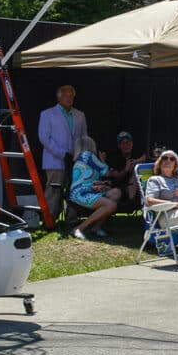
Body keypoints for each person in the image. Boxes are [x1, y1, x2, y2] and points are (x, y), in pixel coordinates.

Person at [38, 85, 87, 220]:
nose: (69, 98)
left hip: (75, 160)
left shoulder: (80, 115)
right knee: (54, 191)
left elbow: (84, 137)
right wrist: (63, 153)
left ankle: (71, 219)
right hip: (55, 160)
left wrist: (79, 154)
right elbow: (44, 138)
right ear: (59, 97)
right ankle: (50, 219)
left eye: (71, 96)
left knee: (74, 190)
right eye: (66, 95)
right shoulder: (47, 114)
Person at [67, 136, 120, 240]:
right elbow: (105, 171)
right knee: (111, 205)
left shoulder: (82, 158)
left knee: (116, 192)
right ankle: (79, 228)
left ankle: (96, 227)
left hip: (90, 190)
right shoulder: (88, 155)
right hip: (81, 193)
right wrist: (103, 160)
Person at [105, 131, 146, 210]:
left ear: (132, 143)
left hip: (138, 188)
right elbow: (115, 175)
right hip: (120, 188)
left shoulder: (136, 153)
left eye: (128, 142)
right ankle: (130, 202)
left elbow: (145, 157)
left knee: (136, 171)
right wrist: (125, 170)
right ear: (119, 145)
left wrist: (136, 162)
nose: (126, 145)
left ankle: (137, 203)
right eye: (123, 143)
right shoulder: (115, 158)